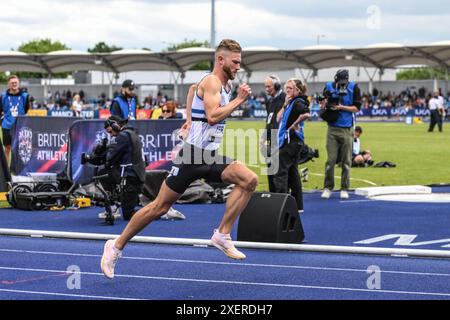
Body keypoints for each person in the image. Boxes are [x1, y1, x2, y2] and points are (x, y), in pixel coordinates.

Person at [100, 39, 256, 279]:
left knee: (249, 179)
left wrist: (190, 119)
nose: (238, 66)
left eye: (240, 62)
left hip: (208, 155)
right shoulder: (214, 81)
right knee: (159, 207)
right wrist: (239, 100)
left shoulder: (217, 84)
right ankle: (116, 246)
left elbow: (194, 89)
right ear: (220, 59)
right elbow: (213, 116)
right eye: (235, 62)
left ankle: (222, 235)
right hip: (192, 156)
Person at [320, 69, 362, 199]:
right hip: (332, 128)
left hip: (347, 129)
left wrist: (341, 107)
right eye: (340, 82)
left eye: (345, 82)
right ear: (335, 79)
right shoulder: (328, 86)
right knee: (331, 160)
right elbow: (322, 106)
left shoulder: (354, 87)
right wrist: (324, 102)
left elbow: (357, 108)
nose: (342, 85)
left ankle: (344, 188)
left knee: (346, 161)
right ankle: (328, 187)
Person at [273, 78, 310, 212]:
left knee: (280, 173)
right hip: (294, 142)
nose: (287, 90)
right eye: (286, 88)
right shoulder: (290, 102)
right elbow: (278, 118)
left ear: (297, 90)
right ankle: (298, 206)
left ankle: (282, 206)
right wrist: (284, 105)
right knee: (293, 174)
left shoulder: (298, 102)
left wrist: (295, 124)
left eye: (290, 88)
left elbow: (306, 113)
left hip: (290, 142)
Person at [102, 115, 146, 221]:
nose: (112, 135)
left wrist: (106, 152)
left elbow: (111, 158)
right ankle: (115, 204)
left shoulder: (123, 136)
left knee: (128, 215)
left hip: (130, 177)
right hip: (136, 175)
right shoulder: (132, 133)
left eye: (111, 131)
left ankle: (157, 210)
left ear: (116, 125)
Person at [260, 75, 286, 192]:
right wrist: (263, 137)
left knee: (279, 172)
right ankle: (272, 195)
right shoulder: (269, 101)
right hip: (270, 141)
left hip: (280, 140)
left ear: (276, 86)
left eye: (269, 86)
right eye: (265, 86)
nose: (266, 89)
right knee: (270, 170)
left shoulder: (284, 99)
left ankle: (281, 198)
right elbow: (269, 121)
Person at [0, 75, 31, 162]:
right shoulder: (2, 96)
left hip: (20, 127)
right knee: (7, 148)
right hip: (7, 126)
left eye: (15, 82)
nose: (14, 84)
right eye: (12, 83)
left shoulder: (25, 96)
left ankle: (17, 170)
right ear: (8, 84)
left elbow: (26, 110)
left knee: (19, 149)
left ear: (18, 83)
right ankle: (7, 170)